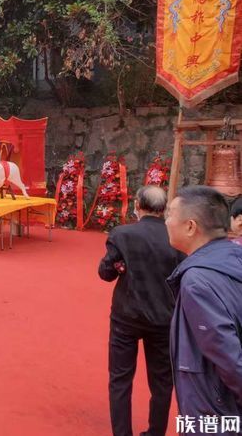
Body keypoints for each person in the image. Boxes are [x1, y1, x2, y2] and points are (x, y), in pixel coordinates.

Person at [98, 186, 184, 436]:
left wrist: (119, 265)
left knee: (120, 379)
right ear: (164, 208)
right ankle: (156, 431)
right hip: (165, 317)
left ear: (137, 205)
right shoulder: (176, 236)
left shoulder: (122, 234)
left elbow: (105, 273)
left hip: (127, 316)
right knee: (162, 382)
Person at [165, 186, 242, 427]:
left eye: (169, 214)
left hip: (214, 408)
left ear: (190, 226)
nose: (165, 221)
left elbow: (229, 358)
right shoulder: (233, 256)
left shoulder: (197, 281)